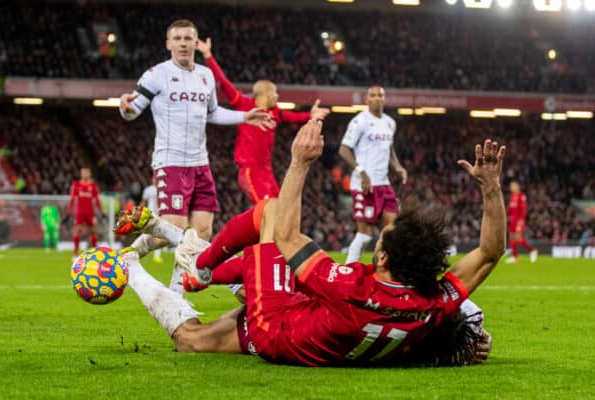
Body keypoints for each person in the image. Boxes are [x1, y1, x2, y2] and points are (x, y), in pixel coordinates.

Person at [117, 121, 504, 367]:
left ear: (383, 257)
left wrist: (299, 162)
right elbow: (489, 252)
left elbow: (286, 235)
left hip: (276, 326)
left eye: (380, 241)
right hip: (312, 327)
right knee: (189, 341)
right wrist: (491, 189)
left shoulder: (349, 286)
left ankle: (190, 266)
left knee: (270, 214)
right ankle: (140, 266)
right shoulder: (432, 303)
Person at [118, 19, 272, 291]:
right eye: (177, 38)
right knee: (176, 229)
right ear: (168, 44)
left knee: (201, 232)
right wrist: (125, 107)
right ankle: (129, 256)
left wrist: (243, 116)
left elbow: (212, 112)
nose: (183, 44)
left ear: (195, 43)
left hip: (201, 164)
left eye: (188, 38)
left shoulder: (205, 75)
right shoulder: (156, 74)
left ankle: (176, 294)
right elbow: (132, 109)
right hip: (171, 162)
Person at [195, 38, 330, 204]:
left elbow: (293, 117)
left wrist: (311, 115)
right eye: (275, 93)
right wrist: (208, 55)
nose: (277, 96)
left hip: (267, 172)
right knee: (266, 211)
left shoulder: (275, 112)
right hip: (250, 171)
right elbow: (223, 81)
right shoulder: (244, 104)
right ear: (265, 94)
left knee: (279, 211)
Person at [339, 86, 408, 264]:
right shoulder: (359, 121)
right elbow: (344, 149)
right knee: (365, 235)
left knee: (391, 231)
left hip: (383, 184)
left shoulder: (390, 123)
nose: (377, 98)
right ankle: (348, 270)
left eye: (380, 95)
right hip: (364, 185)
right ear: (367, 99)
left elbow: (389, 150)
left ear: (384, 99)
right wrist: (362, 172)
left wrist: (398, 167)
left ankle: (386, 270)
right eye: (373, 95)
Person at [66, 167, 104, 258]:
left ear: (89, 174)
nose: (85, 174)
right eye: (83, 173)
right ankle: (75, 254)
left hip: (90, 212)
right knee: (77, 231)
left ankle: (94, 253)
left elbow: (97, 200)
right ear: (81, 174)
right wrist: (69, 211)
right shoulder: (76, 185)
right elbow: (72, 199)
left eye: (87, 173)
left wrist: (102, 211)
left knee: (93, 232)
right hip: (80, 212)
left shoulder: (93, 186)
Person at [505, 180, 538, 263]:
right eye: (510, 186)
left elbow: (523, 210)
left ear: (517, 187)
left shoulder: (521, 196)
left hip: (519, 221)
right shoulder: (512, 196)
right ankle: (515, 257)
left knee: (518, 238)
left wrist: (521, 221)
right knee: (512, 238)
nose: (511, 188)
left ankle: (532, 250)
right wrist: (504, 214)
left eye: (513, 186)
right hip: (513, 220)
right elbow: (510, 209)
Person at [140, 175, 163, 263]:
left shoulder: (163, 189)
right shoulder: (148, 190)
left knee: (159, 236)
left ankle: (157, 256)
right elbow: (143, 202)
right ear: (152, 179)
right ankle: (139, 251)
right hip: (150, 215)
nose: (155, 179)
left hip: (159, 215)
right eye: (154, 178)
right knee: (146, 234)